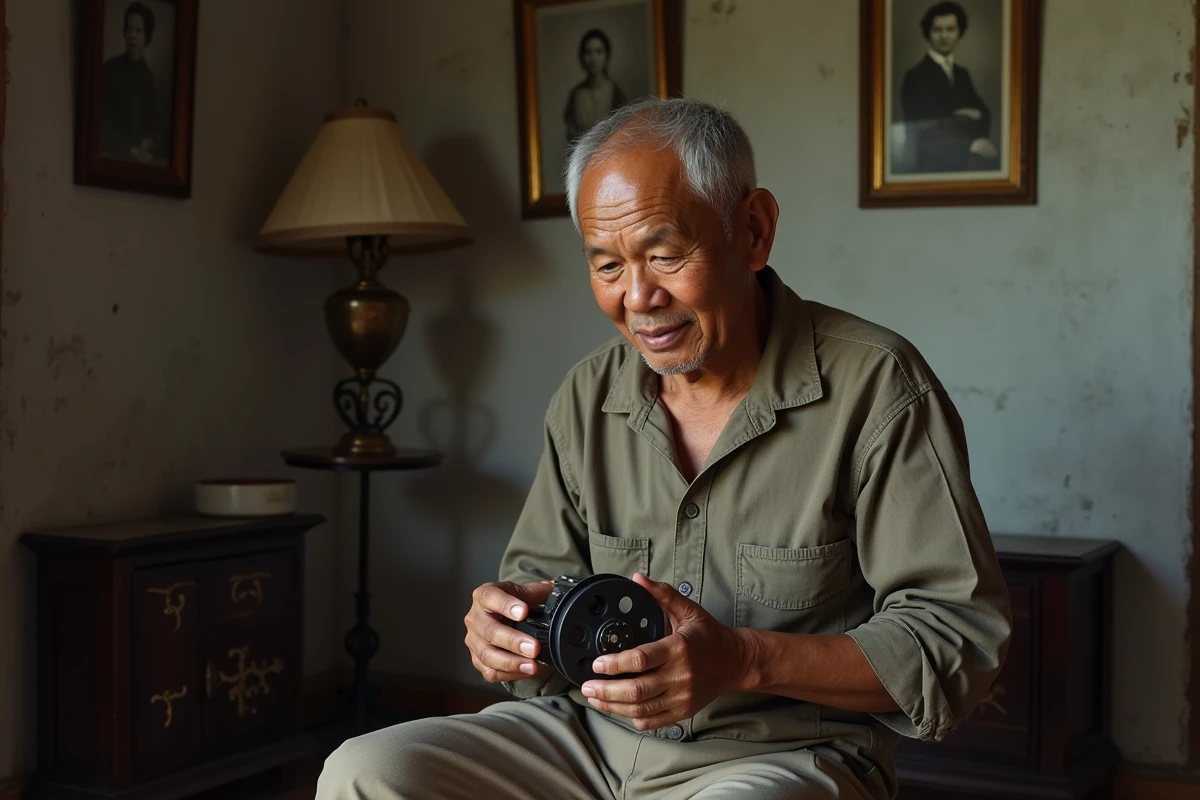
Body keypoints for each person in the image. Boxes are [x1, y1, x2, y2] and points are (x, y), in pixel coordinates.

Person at [315, 97, 1012, 800]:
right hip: (586, 740)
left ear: (754, 230)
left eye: (665, 255)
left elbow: (956, 640)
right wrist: (509, 632)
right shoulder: (587, 395)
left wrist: (742, 659)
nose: (638, 297)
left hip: (783, 754)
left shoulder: (879, 387)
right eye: (607, 266)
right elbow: (539, 590)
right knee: (363, 771)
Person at [899, 1, 999, 173]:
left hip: (962, 165)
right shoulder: (916, 76)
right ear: (928, 33)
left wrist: (954, 116)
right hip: (928, 167)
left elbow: (984, 115)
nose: (944, 36)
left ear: (960, 32)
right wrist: (969, 143)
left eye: (951, 29)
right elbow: (925, 129)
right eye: (937, 30)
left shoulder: (962, 74)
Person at [99, 2, 159, 165]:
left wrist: (148, 142)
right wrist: (128, 151)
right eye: (129, 29)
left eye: (138, 31)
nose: (133, 35)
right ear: (124, 32)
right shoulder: (109, 69)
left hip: (138, 158)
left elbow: (152, 124)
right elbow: (101, 123)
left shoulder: (148, 78)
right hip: (111, 154)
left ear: (147, 37)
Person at [564, 28, 628, 142]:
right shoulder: (575, 96)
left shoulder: (616, 93)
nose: (593, 59)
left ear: (607, 55)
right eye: (588, 53)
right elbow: (572, 137)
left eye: (598, 52)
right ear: (581, 57)